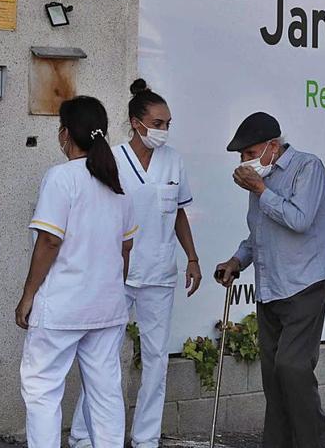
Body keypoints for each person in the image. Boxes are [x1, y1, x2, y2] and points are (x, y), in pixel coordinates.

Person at [69, 79, 201, 448]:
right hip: (117, 274)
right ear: (135, 122)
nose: (163, 130)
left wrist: (192, 257)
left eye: (168, 124)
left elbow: (178, 213)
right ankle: (83, 435)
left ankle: (146, 438)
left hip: (159, 273)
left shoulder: (173, 159)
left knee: (157, 360)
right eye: (158, 123)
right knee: (103, 358)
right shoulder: (111, 159)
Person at [17, 96, 137, 448]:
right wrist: (112, 287)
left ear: (64, 134)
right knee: (105, 394)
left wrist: (28, 295)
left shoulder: (61, 178)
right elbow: (125, 248)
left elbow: (49, 242)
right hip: (106, 306)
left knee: (42, 391)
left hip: (62, 307)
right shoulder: (118, 181)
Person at [215, 112, 325, 448]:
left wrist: (262, 190)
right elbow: (260, 233)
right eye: (242, 157)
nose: (245, 162)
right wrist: (237, 260)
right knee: (274, 377)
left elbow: (300, 220)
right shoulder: (261, 183)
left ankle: (315, 442)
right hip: (271, 289)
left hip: (305, 283)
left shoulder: (307, 168)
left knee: (293, 368)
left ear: (272, 147)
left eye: (250, 154)